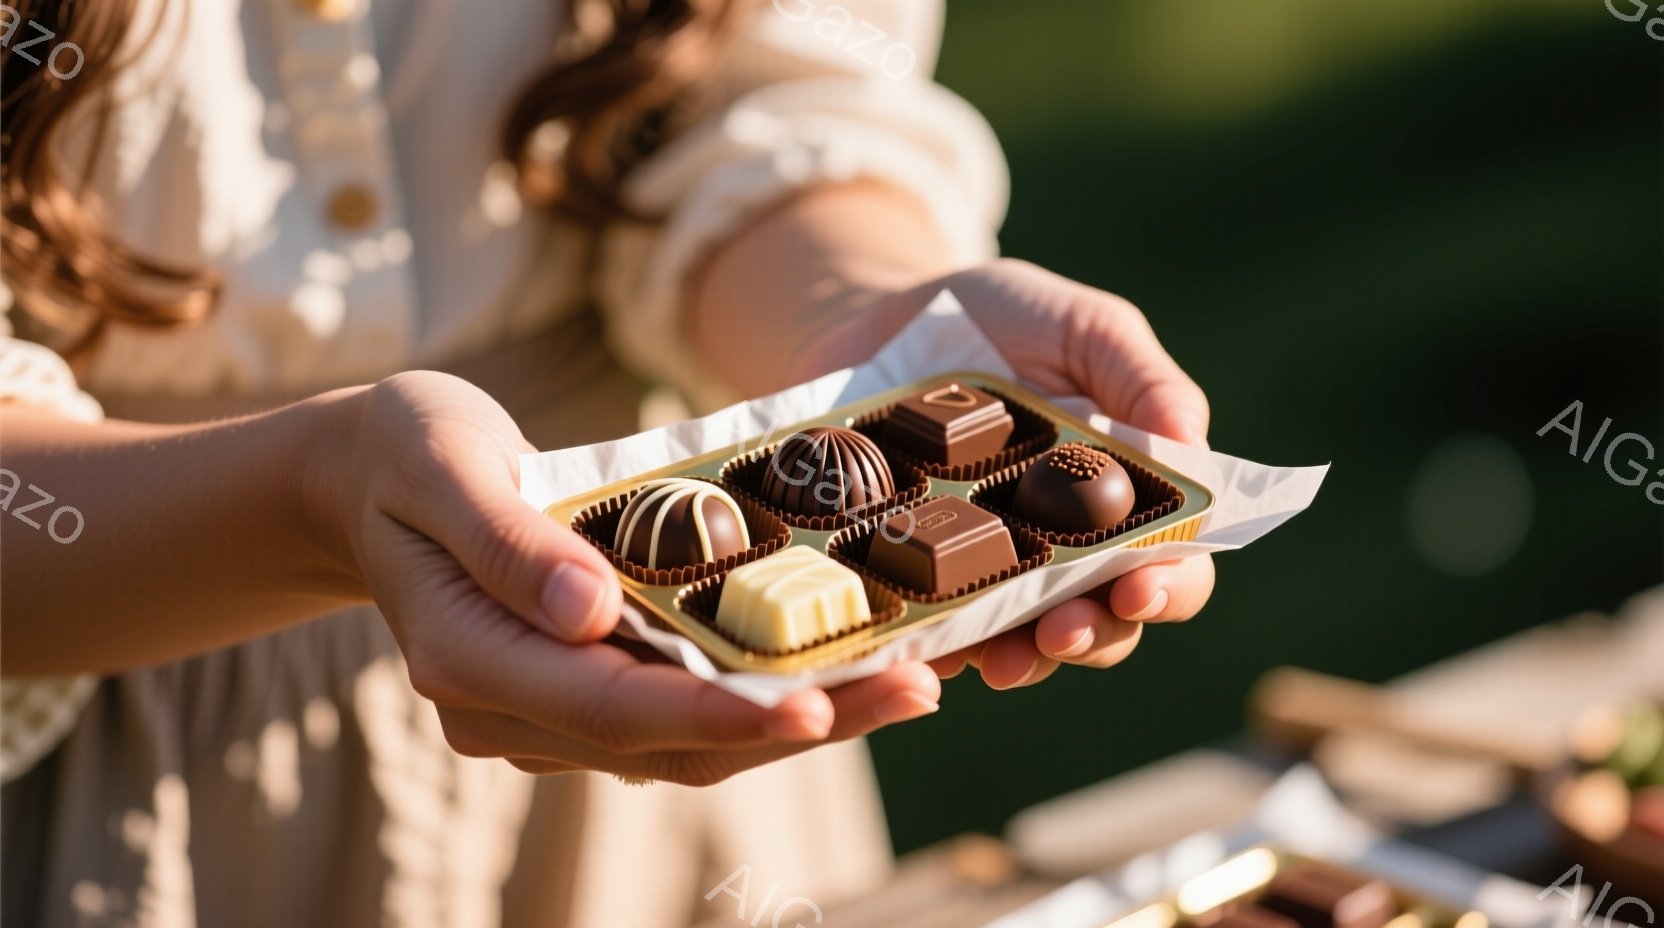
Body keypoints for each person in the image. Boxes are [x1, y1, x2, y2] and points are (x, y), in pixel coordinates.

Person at [0, 0, 1215, 924]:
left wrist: (867, 332)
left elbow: (747, 100)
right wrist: (316, 498)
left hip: (663, 650)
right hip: (114, 763)